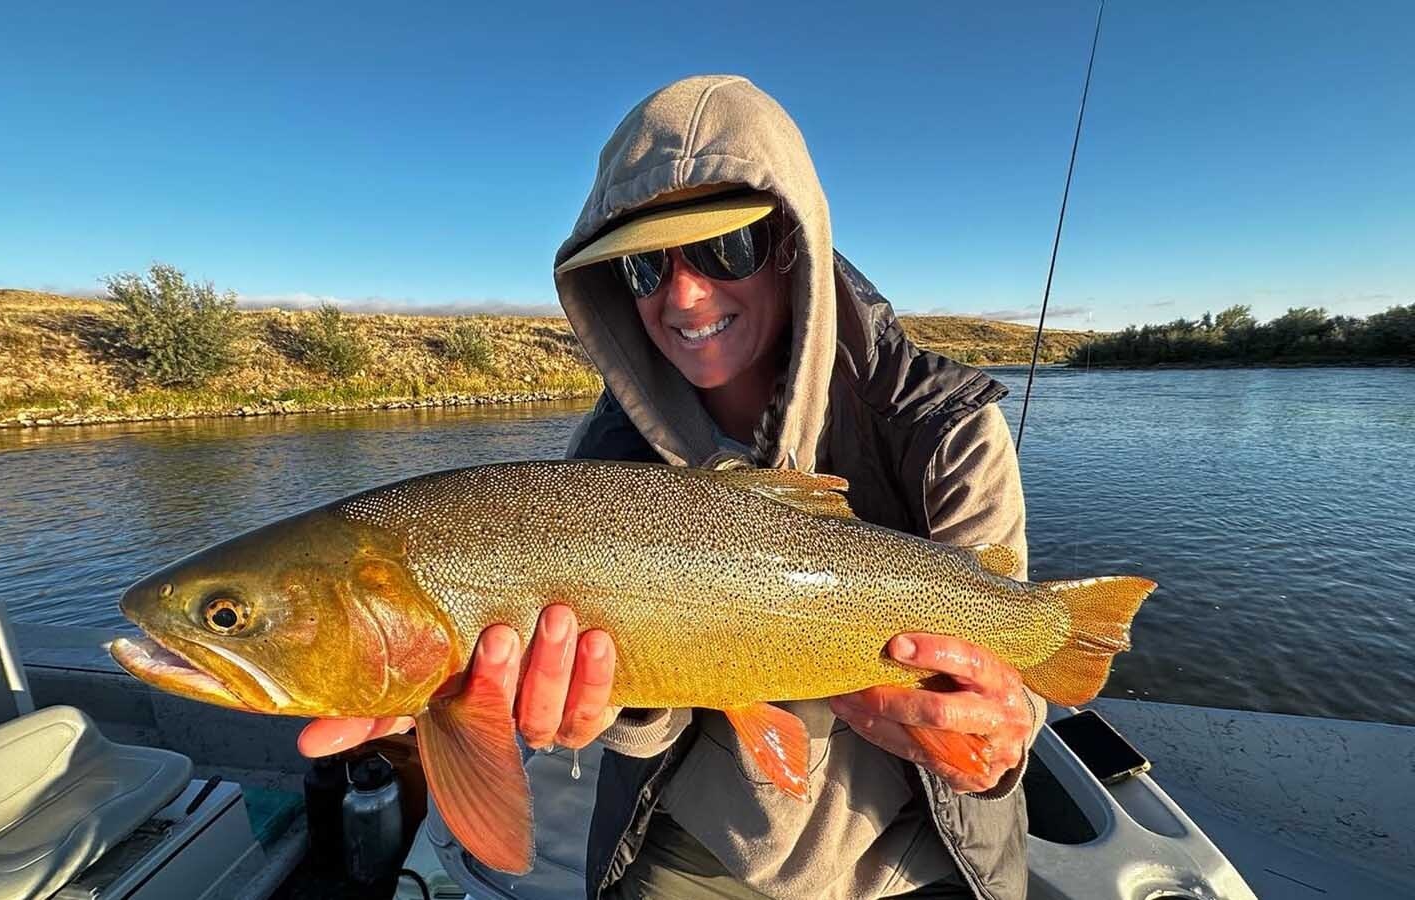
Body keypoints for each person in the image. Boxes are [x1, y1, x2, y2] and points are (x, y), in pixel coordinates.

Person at [300, 75, 1041, 900]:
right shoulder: (606, 454)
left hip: (919, 840)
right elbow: (645, 721)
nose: (684, 296)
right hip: (712, 832)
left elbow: (1008, 669)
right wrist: (616, 704)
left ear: (791, 245)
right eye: (647, 265)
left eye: (726, 250)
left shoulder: (943, 426)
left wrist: (1001, 741)